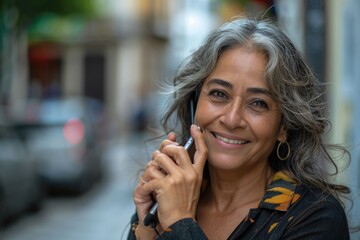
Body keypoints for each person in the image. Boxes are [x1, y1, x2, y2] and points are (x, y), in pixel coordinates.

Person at [128, 16, 351, 239]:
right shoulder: (166, 199)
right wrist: (149, 228)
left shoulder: (316, 218)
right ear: (195, 103)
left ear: (284, 125)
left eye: (258, 103)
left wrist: (179, 222)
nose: (232, 119)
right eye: (219, 94)